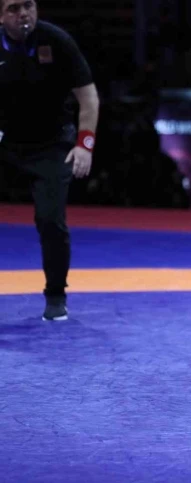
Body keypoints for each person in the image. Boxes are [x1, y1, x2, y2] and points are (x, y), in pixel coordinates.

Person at [0, 0, 100, 320]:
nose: (23, 13)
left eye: (28, 5)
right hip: (6, 141)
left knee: (50, 219)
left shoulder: (57, 41)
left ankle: (56, 295)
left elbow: (88, 97)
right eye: (13, 8)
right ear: (0, 17)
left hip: (52, 144)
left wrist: (84, 145)